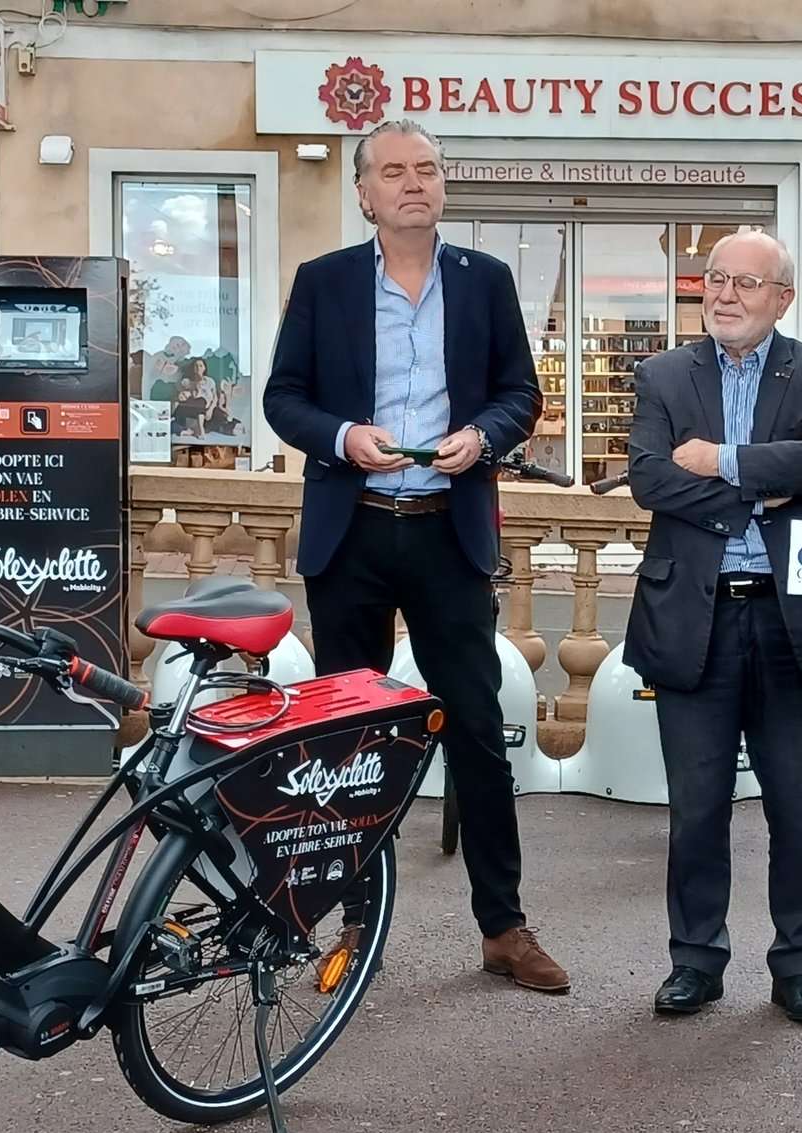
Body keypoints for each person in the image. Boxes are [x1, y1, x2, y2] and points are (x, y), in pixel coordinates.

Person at [262, 119, 564, 994]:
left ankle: (503, 927)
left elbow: (522, 393)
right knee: (344, 737)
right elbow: (286, 397)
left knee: (474, 725)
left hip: (448, 528)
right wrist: (345, 436)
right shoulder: (324, 283)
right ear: (364, 192)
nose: (413, 183)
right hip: (349, 531)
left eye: (427, 169)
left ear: (443, 185)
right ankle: (356, 922)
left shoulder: (486, 281)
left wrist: (483, 436)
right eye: (393, 171)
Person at [624, 231, 802, 1026]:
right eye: (713, 280)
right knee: (696, 806)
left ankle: (799, 965)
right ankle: (695, 959)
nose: (723, 294)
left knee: (800, 807)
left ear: (782, 298)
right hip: (695, 615)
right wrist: (767, 483)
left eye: (745, 284)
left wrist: (720, 460)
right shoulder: (661, 374)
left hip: (791, 617)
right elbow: (650, 481)